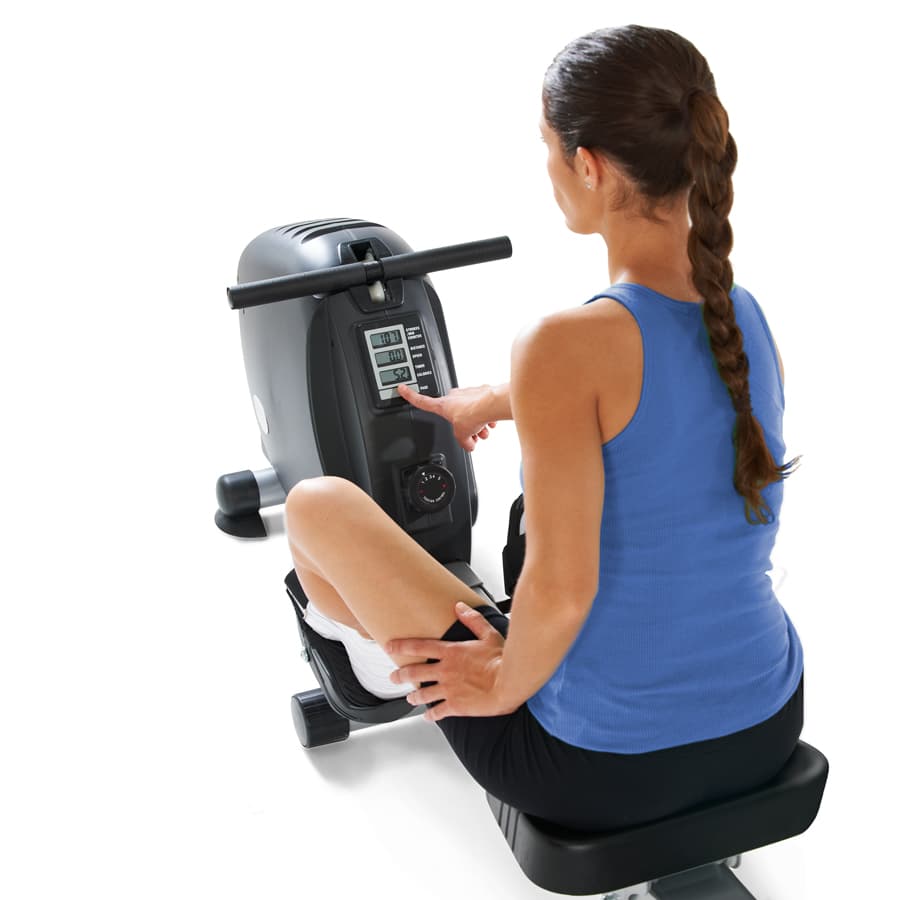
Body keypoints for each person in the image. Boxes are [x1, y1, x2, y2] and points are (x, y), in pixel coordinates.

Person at [285, 24, 805, 832]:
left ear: (588, 165)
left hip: (596, 769)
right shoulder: (744, 315)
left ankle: (384, 670)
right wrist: (499, 400)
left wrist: (499, 680)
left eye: (547, 147)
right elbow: (659, 404)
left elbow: (563, 593)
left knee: (315, 507)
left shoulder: (562, 345)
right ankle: (454, 651)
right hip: (766, 726)